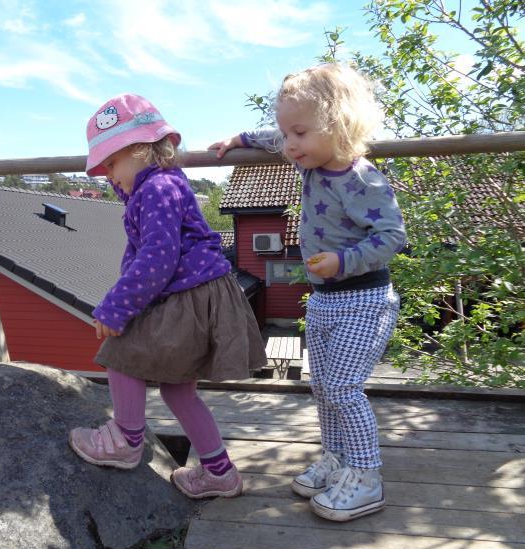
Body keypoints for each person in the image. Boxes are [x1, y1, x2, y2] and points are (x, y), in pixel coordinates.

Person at [210, 63, 407, 521]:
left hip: (365, 299)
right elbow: (272, 136)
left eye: (298, 132)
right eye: (286, 133)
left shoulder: (363, 179)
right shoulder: (308, 156)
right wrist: (239, 139)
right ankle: (336, 459)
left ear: (338, 125)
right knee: (321, 387)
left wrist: (343, 261)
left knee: (343, 387)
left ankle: (366, 475)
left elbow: (393, 236)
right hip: (322, 299)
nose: (289, 144)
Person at [69, 93, 267, 499]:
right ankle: (219, 472)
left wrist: (116, 306)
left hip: (188, 296)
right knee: (180, 391)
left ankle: (126, 439)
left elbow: (157, 259)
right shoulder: (161, 185)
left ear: (139, 151)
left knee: (120, 351)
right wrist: (127, 191)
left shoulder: (157, 189)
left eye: (111, 163)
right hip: (200, 293)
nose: (107, 175)